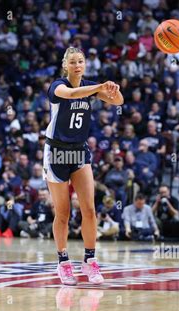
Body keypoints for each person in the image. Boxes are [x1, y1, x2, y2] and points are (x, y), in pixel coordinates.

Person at [44, 46, 123, 285]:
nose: (77, 65)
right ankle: (63, 263)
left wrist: (113, 90)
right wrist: (99, 87)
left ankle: (90, 261)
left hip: (78, 150)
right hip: (56, 152)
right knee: (63, 213)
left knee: (89, 209)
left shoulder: (91, 88)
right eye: (73, 62)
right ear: (65, 65)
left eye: (81, 61)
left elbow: (119, 101)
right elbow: (71, 95)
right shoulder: (57, 86)